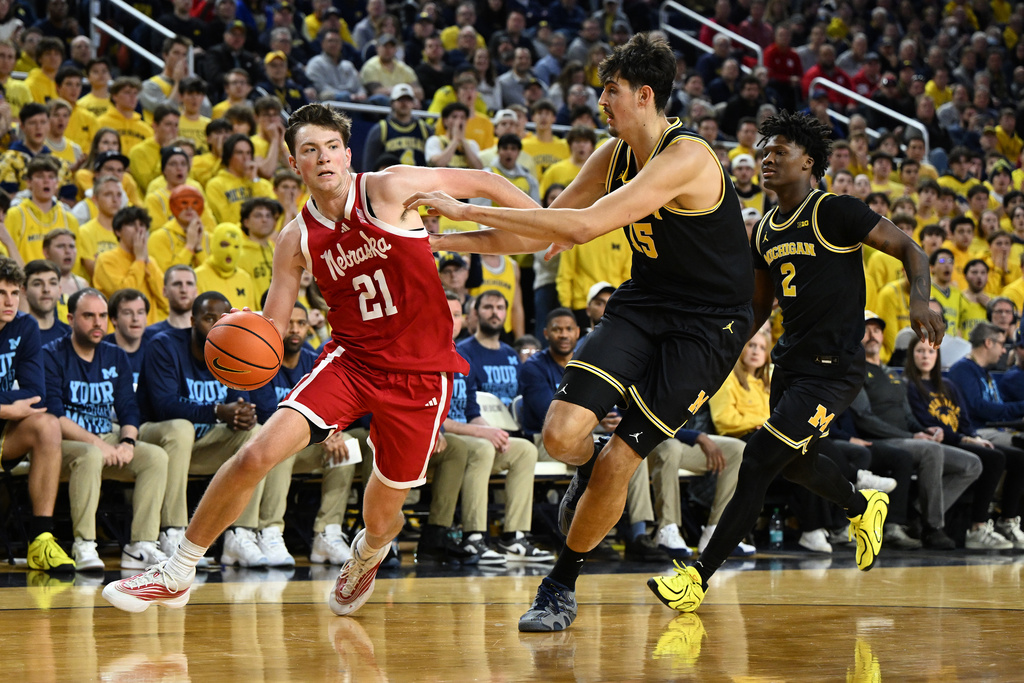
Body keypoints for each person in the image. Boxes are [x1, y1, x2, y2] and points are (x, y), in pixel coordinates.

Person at [103, 103, 541, 614]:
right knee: (254, 454)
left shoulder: (389, 188)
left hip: (422, 374)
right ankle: (178, 570)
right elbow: (269, 330)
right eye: (310, 150)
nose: (324, 158)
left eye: (332, 147)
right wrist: (240, 335)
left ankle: (368, 554)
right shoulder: (294, 239)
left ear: (348, 154)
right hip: (350, 364)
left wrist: (542, 219)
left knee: (383, 514)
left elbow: (485, 180)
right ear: (295, 164)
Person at [406, 34, 757, 631]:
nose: (601, 101)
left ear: (644, 95)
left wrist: (471, 207)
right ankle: (590, 468)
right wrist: (438, 241)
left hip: (706, 328)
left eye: (611, 91)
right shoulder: (611, 154)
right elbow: (547, 234)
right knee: (563, 436)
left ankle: (559, 585)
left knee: (625, 458)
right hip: (644, 303)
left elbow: (589, 224)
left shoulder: (689, 155)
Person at [651, 111, 946, 614]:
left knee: (761, 460)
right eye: (762, 151)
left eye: (778, 151)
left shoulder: (835, 211)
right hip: (790, 366)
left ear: (808, 161)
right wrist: (719, 351)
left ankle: (697, 577)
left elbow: (910, 249)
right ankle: (862, 505)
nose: (766, 159)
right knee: (797, 464)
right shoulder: (763, 229)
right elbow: (760, 306)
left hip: (834, 370)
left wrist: (921, 298)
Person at [44, 288, 170, 571]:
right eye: (89, 316)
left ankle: (141, 546)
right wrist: (99, 445)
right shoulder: (51, 355)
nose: (98, 322)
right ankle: (84, 544)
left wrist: (127, 442)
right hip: (62, 444)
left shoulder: (115, 356)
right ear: (70, 318)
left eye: (102, 316)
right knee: (89, 455)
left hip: (108, 438)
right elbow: (54, 416)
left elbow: (128, 408)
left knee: (155, 458)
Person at [905, 335, 1024, 548]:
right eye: (920, 351)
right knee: (994, 459)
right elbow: (926, 423)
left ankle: (1007, 521)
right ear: (911, 355)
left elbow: (964, 419)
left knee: (1018, 458)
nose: (925, 356)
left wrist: (974, 437)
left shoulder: (948, 385)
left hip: (963, 437)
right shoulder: (910, 386)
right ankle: (977, 528)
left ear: (937, 356)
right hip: (943, 441)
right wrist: (965, 438)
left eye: (930, 351)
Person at [0, 256, 73, 571]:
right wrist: (5, 407)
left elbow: (35, 393)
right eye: (1, 293)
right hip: (5, 415)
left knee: (46, 424)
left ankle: (41, 539)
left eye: (15, 293)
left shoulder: (24, 326)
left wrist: (13, 407)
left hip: (4, 434)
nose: (10, 301)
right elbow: (19, 399)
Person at [93, 207, 168, 325]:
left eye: (142, 225)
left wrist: (146, 261)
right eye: (131, 224)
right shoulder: (106, 260)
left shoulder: (150, 261)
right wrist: (139, 261)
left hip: (150, 333)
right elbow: (123, 297)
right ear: (118, 231)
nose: (139, 230)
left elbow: (166, 300)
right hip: (119, 334)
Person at [20, 258, 69, 345]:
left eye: (52, 283)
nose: (46, 289)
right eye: (37, 284)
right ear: (24, 290)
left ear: (60, 290)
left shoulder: (70, 336)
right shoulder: (12, 335)